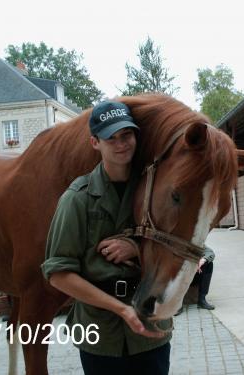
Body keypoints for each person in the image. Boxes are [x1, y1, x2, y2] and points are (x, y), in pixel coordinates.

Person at [41, 101, 171, 375]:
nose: (120, 144)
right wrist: (121, 309)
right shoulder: (78, 198)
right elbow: (58, 274)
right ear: (94, 143)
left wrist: (138, 248)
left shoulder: (155, 190)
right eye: (110, 138)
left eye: (126, 135)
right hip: (99, 332)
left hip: (151, 322)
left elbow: (186, 248)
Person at [175, 245, 216, 315]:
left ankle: (202, 299)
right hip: (179, 276)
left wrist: (202, 260)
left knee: (209, 264)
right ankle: (178, 304)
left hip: (193, 275)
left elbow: (210, 252)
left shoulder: (194, 242)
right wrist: (192, 265)